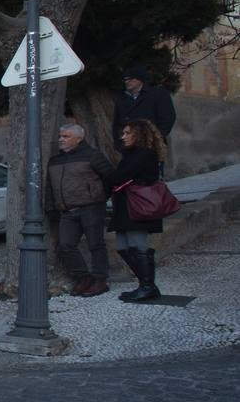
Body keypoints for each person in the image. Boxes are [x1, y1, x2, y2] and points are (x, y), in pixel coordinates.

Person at [46, 124, 114, 297]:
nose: (61, 139)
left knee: (96, 244)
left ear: (79, 139)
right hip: (67, 211)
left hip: (91, 208)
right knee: (66, 245)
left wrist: (99, 196)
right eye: (61, 136)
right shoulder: (55, 160)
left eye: (66, 136)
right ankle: (83, 278)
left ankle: (100, 280)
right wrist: (51, 207)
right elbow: (49, 187)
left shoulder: (92, 156)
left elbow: (110, 177)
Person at [110, 119, 167, 303]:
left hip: (137, 206)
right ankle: (146, 284)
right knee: (122, 247)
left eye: (128, 133)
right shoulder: (132, 154)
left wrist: (111, 177)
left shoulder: (144, 154)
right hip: (126, 207)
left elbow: (120, 176)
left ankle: (147, 286)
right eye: (123, 133)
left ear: (139, 135)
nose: (123, 136)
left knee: (137, 245)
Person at [112, 65, 176, 151]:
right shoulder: (122, 99)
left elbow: (168, 118)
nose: (127, 82)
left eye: (131, 79)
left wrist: (155, 139)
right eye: (125, 79)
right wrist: (119, 143)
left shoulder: (158, 94)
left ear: (140, 80)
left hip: (152, 147)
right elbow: (116, 123)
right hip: (128, 148)